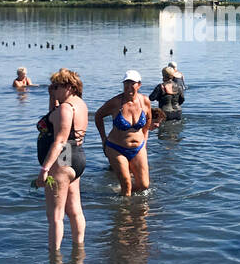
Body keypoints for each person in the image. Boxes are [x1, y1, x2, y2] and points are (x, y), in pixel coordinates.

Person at [35, 68, 88, 253]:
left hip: (63, 156)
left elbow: (60, 140)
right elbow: (56, 120)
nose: (53, 89)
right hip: (74, 155)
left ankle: (54, 262)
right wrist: (52, 98)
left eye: (56, 86)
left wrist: (44, 170)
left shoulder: (66, 108)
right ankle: (78, 250)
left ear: (70, 86)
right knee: (74, 209)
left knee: (55, 215)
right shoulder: (78, 104)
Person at [94, 69, 152, 195]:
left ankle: (135, 209)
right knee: (126, 184)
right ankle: (123, 213)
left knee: (144, 185)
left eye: (132, 83)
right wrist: (103, 138)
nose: (129, 87)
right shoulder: (115, 102)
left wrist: (145, 140)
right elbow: (98, 116)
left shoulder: (145, 101)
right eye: (126, 83)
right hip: (116, 147)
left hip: (139, 147)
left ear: (139, 85)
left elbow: (148, 122)